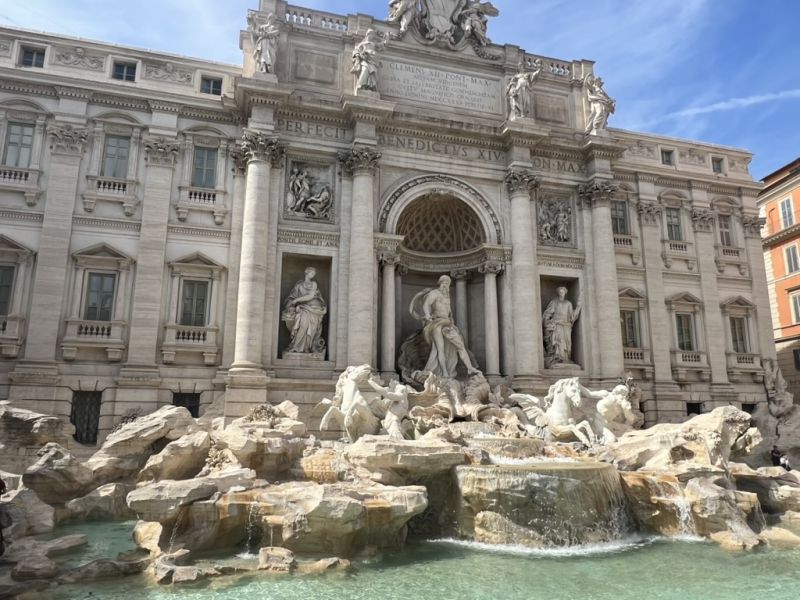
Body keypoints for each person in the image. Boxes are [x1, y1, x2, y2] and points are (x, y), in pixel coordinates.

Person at [410, 275, 480, 379]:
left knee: (460, 345)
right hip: (436, 323)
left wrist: (452, 321)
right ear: (440, 283)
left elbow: (449, 312)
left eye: (448, 283)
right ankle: (444, 373)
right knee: (440, 349)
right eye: (444, 283)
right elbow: (426, 305)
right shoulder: (434, 293)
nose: (446, 285)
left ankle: (469, 368)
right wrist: (428, 316)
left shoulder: (447, 297)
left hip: (447, 323)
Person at [281, 267, 327, 354]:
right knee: (303, 325)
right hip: (303, 308)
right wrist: (293, 304)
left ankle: (307, 348)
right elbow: (291, 298)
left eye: (314, 274)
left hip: (314, 308)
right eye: (311, 273)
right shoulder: (299, 286)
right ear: (307, 273)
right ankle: (296, 347)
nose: (312, 276)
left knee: (310, 328)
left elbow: (310, 296)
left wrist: (297, 300)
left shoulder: (314, 284)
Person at [542, 286, 581, 367]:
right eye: (560, 292)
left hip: (566, 326)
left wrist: (578, 307)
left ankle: (566, 359)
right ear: (558, 293)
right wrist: (547, 322)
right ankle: (558, 358)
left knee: (567, 343)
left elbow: (571, 316)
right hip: (557, 325)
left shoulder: (568, 303)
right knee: (559, 342)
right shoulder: (554, 302)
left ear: (565, 293)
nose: (561, 293)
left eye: (563, 292)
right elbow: (547, 314)